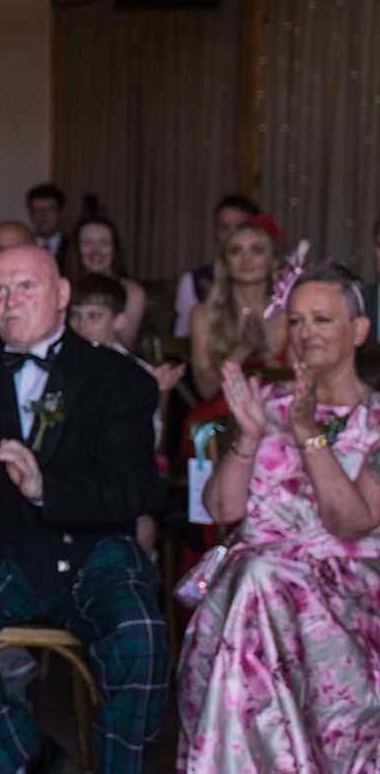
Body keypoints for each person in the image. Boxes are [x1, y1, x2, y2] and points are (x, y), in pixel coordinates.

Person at [0, 244, 166, 774]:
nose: (9, 302)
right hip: (3, 549)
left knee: (140, 638)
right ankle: (25, 756)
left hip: (96, 554)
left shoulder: (119, 379)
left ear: (62, 295)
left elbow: (133, 492)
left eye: (27, 287)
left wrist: (46, 487)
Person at [177, 266, 380, 773]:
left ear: (358, 330)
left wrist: (307, 429)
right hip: (250, 589)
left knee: (259, 580)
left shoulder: (377, 420)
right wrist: (245, 438)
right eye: (295, 320)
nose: (306, 332)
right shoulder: (265, 404)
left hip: (346, 595)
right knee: (257, 578)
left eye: (322, 319)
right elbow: (221, 510)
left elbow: (352, 521)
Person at [67, 274, 182, 551]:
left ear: (119, 321)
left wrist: (160, 395)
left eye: (94, 316)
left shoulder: (137, 375)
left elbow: (151, 440)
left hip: (116, 482)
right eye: (75, 315)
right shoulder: (58, 369)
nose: (82, 326)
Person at [188, 216, 287, 399]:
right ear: (225, 264)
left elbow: (298, 386)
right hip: (219, 419)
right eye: (236, 251)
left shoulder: (288, 315)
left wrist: (265, 354)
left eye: (257, 250)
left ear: (273, 262)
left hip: (277, 415)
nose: (246, 258)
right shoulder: (203, 314)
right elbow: (205, 390)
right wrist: (242, 350)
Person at [172, 194, 258, 340]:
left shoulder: (276, 283)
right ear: (215, 232)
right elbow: (181, 341)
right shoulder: (193, 281)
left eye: (240, 227)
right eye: (224, 227)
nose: (232, 235)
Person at [67, 209, 146, 343]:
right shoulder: (65, 288)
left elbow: (125, 346)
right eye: (87, 243)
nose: (95, 251)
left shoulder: (133, 292)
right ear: (77, 249)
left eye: (104, 243)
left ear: (115, 249)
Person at [26, 183, 66, 262]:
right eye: (37, 209)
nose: (43, 215)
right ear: (30, 214)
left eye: (49, 209)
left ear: (60, 212)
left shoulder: (73, 247)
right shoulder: (24, 245)